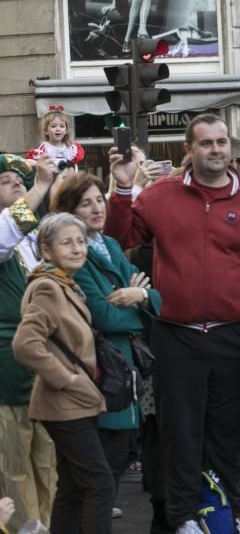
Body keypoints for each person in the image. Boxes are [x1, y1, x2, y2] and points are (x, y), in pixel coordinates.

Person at [105, 114, 240, 532]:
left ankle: (225, 515)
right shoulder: (161, 195)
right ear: (188, 149)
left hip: (236, 335)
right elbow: (119, 237)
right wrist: (124, 186)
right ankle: (184, 518)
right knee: (179, 435)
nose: (216, 150)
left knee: (228, 435)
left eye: (222, 142)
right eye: (206, 143)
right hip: (176, 336)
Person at [51, 173, 162, 522]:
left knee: (92, 479)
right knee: (95, 480)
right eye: (86, 202)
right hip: (98, 371)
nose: (97, 207)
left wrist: (140, 295)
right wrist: (137, 299)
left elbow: (154, 299)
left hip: (124, 369)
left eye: (100, 199)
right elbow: (103, 316)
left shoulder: (111, 245)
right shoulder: (75, 253)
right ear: (69, 211)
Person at [12, 213, 114, 534]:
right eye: (66, 242)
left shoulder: (65, 283)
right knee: (100, 483)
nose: (77, 249)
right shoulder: (47, 287)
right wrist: (66, 379)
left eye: (81, 241)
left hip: (74, 402)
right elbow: (26, 344)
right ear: (46, 250)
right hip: (64, 404)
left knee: (72, 485)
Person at [0, 154, 58, 531]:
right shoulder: (7, 231)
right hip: (6, 367)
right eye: (7, 180)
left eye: (21, 179)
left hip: (42, 362)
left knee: (46, 458)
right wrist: (39, 186)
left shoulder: (34, 237)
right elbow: (7, 230)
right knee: (14, 463)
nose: (18, 182)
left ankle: (47, 524)